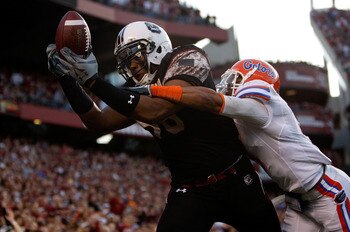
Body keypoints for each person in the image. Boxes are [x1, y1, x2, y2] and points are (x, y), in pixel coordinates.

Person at [46, 21, 281, 231]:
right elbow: (97, 122)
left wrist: (93, 81)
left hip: (234, 179)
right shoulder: (135, 91)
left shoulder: (187, 58)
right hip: (190, 191)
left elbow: (156, 108)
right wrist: (67, 79)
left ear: (154, 46)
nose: (130, 65)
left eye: (133, 55)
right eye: (124, 61)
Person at [136, 58, 350, 231]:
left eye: (235, 78)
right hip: (297, 200)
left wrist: (157, 90)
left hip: (327, 190)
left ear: (253, 80)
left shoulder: (265, 105)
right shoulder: (240, 122)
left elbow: (218, 103)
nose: (227, 83)